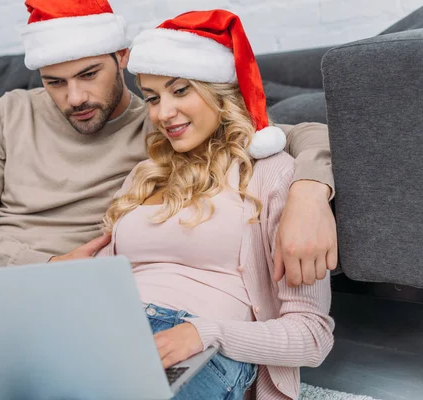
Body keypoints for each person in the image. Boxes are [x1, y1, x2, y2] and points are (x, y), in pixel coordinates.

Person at [0, 1, 334, 398]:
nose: (74, 97)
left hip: (74, 314)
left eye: (88, 75)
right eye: (55, 81)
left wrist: (310, 192)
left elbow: (288, 132)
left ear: (122, 58)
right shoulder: (19, 114)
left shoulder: (163, 129)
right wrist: (52, 264)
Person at [95, 9, 334, 399]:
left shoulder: (271, 172)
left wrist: (205, 332)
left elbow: (312, 335)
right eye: (153, 98)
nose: (163, 113)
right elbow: (100, 282)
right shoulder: (143, 174)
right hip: (109, 327)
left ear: (219, 90)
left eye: (180, 90)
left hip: (203, 344)